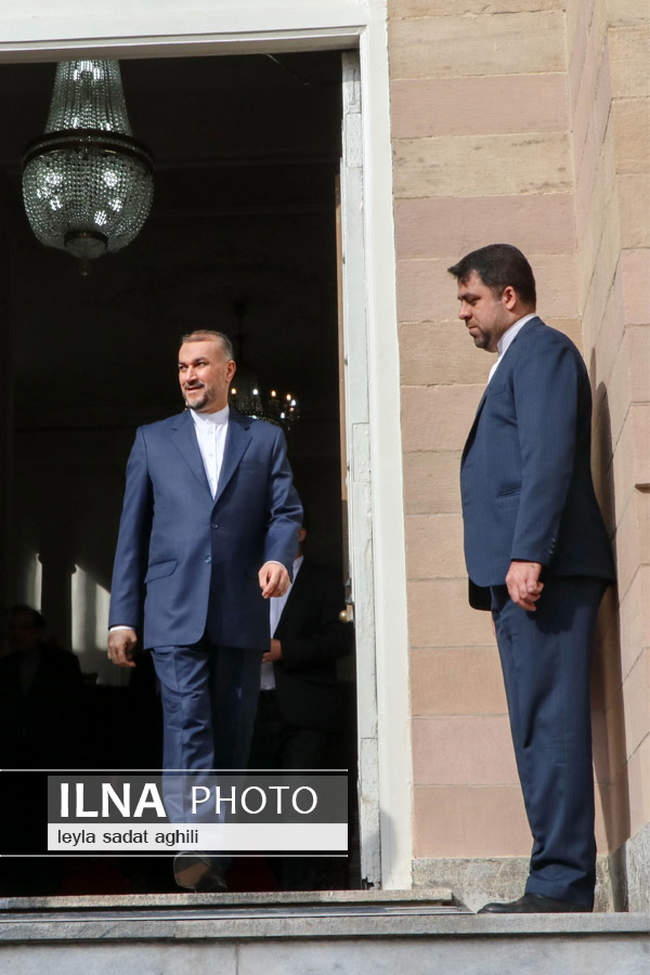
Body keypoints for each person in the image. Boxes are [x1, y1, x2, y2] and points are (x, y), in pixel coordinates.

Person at [448, 244, 615, 914]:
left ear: (508, 295)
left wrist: (529, 554)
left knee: (550, 724)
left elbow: (546, 457)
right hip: (524, 574)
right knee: (536, 726)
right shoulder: (516, 360)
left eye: (471, 299)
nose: (463, 313)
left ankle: (560, 885)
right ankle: (553, 876)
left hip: (543, 572)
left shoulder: (541, 350)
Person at [107, 329, 302, 891]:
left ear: (228, 371)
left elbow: (285, 512)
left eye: (199, 365)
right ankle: (193, 847)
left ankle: (214, 857)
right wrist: (123, 616)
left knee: (232, 735)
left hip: (241, 609)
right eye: (182, 367)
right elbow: (132, 532)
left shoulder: (264, 440)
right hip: (173, 610)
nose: (189, 375)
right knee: (188, 724)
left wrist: (278, 558)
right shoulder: (152, 440)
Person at [251, 521, 353, 888]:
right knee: (262, 801)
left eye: (283, 526)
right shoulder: (246, 577)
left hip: (306, 708)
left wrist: (286, 650)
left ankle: (302, 888)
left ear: (302, 533)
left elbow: (341, 639)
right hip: (254, 708)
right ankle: (277, 883)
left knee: (302, 797)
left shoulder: (325, 580)